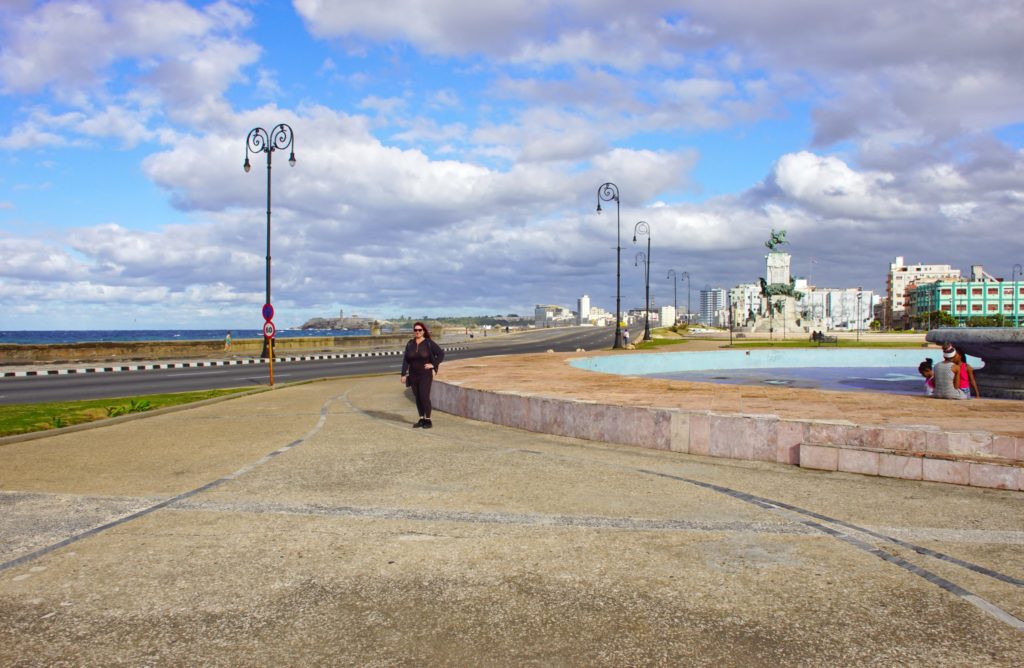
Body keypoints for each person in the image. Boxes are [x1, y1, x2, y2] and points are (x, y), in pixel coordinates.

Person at [400, 322, 445, 428]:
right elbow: (406, 360)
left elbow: (441, 354)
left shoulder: (428, 343)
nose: (417, 332)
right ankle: (421, 418)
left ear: (423, 331)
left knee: (424, 396)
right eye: (415, 330)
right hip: (413, 375)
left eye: (419, 330)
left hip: (425, 375)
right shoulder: (410, 343)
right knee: (418, 397)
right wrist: (403, 374)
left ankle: (428, 420)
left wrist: (433, 364)